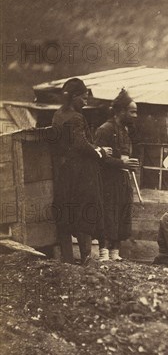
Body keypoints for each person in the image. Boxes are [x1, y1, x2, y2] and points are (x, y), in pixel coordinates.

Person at [51, 78, 111, 264]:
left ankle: (68, 259)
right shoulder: (76, 117)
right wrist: (100, 151)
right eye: (83, 99)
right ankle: (86, 257)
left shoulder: (58, 115)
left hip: (64, 172)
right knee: (85, 212)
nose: (85, 103)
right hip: (81, 174)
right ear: (74, 97)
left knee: (66, 213)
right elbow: (80, 144)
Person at [94, 89, 138, 261]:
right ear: (121, 111)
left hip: (122, 181)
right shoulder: (104, 130)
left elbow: (125, 156)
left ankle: (115, 253)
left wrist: (130, 165)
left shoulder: (126, 131)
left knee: (122, 213)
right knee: (108, 215)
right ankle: (104, 253)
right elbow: (98, 158)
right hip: (108, 182)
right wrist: (121, 163)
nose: (135, 115)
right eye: (132, 111)